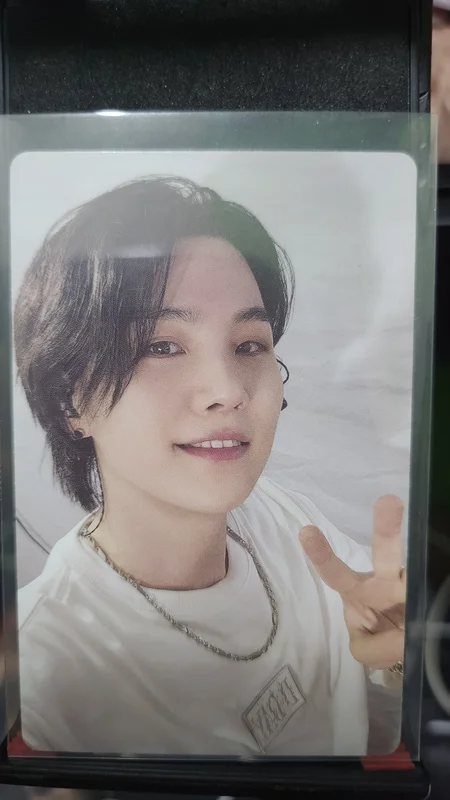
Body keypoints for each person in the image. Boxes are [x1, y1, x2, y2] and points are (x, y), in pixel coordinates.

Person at [15, 176, 406, 758]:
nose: (228, 391)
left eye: (249, 345)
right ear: (72, 399)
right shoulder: (47, 669)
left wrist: (402, 661)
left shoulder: (285, 519)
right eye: (162, 346)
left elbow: (380, 664)